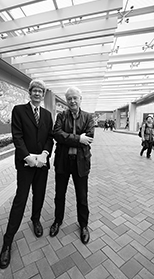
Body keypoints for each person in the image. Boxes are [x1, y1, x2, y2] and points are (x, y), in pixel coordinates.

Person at [0, 79, 53, 269]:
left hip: (42, 165)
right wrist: (28, 157)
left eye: (40, 91)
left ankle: (36, 219)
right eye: (34, 91)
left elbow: (49, 138)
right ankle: (7, 242)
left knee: (39, 195)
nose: (37, 93)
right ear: (29, 93)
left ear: (43, 94)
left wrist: (45, 154)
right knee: (20, 199)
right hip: (26, 164)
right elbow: (17, 136)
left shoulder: (47, 115)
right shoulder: (19, 110)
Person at [49, 86, 94, 244]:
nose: (72, 101)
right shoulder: (61, 116)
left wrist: (69, 138)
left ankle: (83, 225)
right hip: (63, 162)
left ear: (80, 99)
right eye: (69, 98)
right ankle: (57, 221)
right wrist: (77, 139)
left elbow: (88, 138)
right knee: (59, 195)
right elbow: (56, 134)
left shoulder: (88, 117)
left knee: (82, 197)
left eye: (75, 97)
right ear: (66, 101)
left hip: (81, 163)